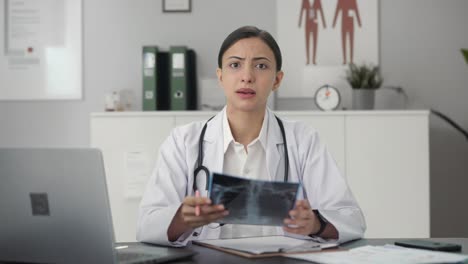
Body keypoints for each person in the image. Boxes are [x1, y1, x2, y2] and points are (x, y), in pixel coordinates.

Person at [137, 26, 366, 246]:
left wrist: (315, 223)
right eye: (235, 65)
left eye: (261, 66)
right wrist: (181, 219)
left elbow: (351, 219)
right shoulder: (183, 141)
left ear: (277, 80)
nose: (247, 76)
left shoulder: (304, 140)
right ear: (221, 76)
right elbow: (147, 225)